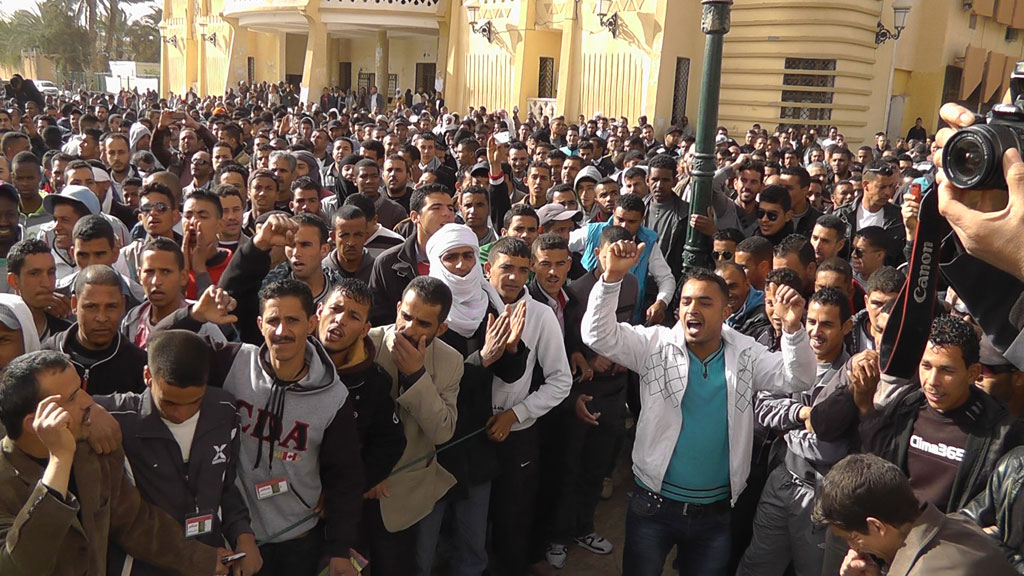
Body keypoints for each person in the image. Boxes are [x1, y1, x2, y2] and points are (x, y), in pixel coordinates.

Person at [582, 244, 815, 575]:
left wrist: (793, 330)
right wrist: (612, 277)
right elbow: (597, 335)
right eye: (687, 302)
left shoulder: (746, 353)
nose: (693, 309)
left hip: (715, 515)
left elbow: (799, 377)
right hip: (653, 506)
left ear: (726, 311)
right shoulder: (654, 346)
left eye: (706, 302)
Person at [156, 281, 365, 576]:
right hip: (231, 536)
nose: (282, 331)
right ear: (259, 324)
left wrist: (340, 549)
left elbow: (345, 477)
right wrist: (194, 315)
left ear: (312, 323)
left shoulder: (333, 398)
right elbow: (160, 352)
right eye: (273, 320)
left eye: (292, 320)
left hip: (297, 540)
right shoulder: (232, 363)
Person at [0, 350, 232, 575]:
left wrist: (201, 559)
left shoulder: (90, 453)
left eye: (80, 389)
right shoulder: (6, 480)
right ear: (34, 423)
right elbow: (18, 566)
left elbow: (133, 522)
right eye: (72, 398)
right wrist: (60, 460)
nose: (88, 401)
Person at [94, 330, 263, 576]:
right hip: (144, 565)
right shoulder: (116, 417)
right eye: (169, 403)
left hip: (212, 561)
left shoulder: (224, 411)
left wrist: (243, 534)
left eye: (195, 402)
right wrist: (87, 411)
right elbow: (47, 403)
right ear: (147, 377)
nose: (181, 414)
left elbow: (225, 485)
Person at [738, 288, 854, 576]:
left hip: (822, 493)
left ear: (847, 327)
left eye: (827, 324)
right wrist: (803, 414)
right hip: (782, 478)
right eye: (811, 321)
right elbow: (763, 409)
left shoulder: (853, 375)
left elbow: (827, 441)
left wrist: (789, 425)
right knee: (756, 565)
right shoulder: (789, 359)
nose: (816, 331)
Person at [546, 225, 638, 569]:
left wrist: (618, 354)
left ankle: (584, 527)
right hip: (582, 394)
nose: (620, 260)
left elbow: (628, 326)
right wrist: (586, 353)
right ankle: (557, 536)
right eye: (612, 254)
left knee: (597, 468)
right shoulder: (577, 292)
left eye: (626, 254)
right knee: (569, 468)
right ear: (597, 254)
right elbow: (566, 342)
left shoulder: (631, 283)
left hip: (614, 393)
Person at [484, 237, 572, 575]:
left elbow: (560, 381)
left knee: (512, 520)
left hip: (516, 434)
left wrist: (515, 415)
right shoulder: (470, 308)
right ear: (488, 269)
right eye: (506, 268)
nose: (514, 277)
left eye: (522, 270)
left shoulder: (541, 315)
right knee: (470, 521)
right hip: (467, 433)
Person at [364, 276, 462, 575]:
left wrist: (416, 376)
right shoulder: (369, 343)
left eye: (423, 323)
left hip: (404, 498)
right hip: (357, 487)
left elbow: (442, 431)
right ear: (397, 309)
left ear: (441, 328)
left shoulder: (450, 361)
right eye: (405, 316)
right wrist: (369, 471)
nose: (409, 328)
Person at [812, 453, 1015, 576]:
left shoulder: (926, 570)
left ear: (876, 526)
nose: (854, 547)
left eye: (853, 537)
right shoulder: (957, 525)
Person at [43, 265, 147, 395]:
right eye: (91, 307)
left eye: (111, 307)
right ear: (74, 304)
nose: (102, 318)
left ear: (122, 305)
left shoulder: (139, 365)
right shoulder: (47, 358)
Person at [4, 239, 70, 339]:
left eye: (51, 272)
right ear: (14, 280)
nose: (47, 283)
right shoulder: (3, 330)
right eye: (34, 274)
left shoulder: (67, 335)